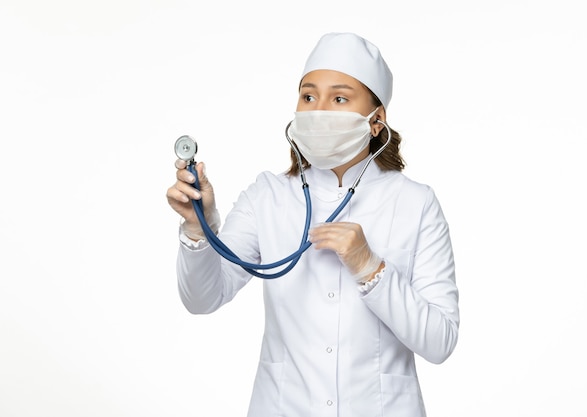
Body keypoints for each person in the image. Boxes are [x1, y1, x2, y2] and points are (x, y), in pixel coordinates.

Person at [166, 32, 459, 417]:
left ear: (376, 121)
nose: (318, 109)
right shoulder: (267, 195)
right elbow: (202, 298)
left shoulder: (415, 203)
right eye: (308, 96)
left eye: (339, 98)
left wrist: (371, 267)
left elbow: (441, 340)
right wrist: (197, 227)